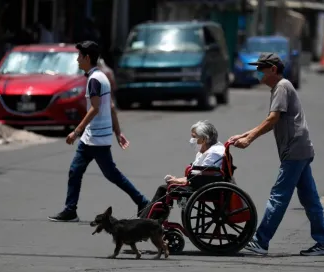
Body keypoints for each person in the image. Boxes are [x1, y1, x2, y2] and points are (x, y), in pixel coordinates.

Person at [228, 53, 324, 256]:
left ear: (273, 69)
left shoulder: (282, 86)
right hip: (301, 149)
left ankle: (261, 241)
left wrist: (249, 139)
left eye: (261, 68)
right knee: (310, 198)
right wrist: (244, 134)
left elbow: (272, 119)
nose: (258, 72)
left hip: (295, 150)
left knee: (278, 196)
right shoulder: (281, 87)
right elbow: (271, 120)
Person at [48, 41, 149, 222]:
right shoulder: (102, 77)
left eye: (80, 56)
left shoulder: (94, 80)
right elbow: (110, 106)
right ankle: (70, 210)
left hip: (97, 138)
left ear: (87, 58)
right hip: (91, 138)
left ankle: (142, 201)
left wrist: (76, 131)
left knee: (112, 174)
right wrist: (118, 132)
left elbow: (95, 108)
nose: (78, 60)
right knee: (75, 171)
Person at [139, 120, 225, 220]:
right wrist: (178, 179)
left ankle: (145, 221)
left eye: (194, 137)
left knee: (163, 188)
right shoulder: (206, 151)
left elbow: (201, 175)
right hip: (201, 184)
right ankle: (148, 219)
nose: (192, 140)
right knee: (166, 187)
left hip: (204, 188)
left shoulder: (213, 153)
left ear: (204, 139)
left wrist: (178, 181)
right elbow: (199, 174)